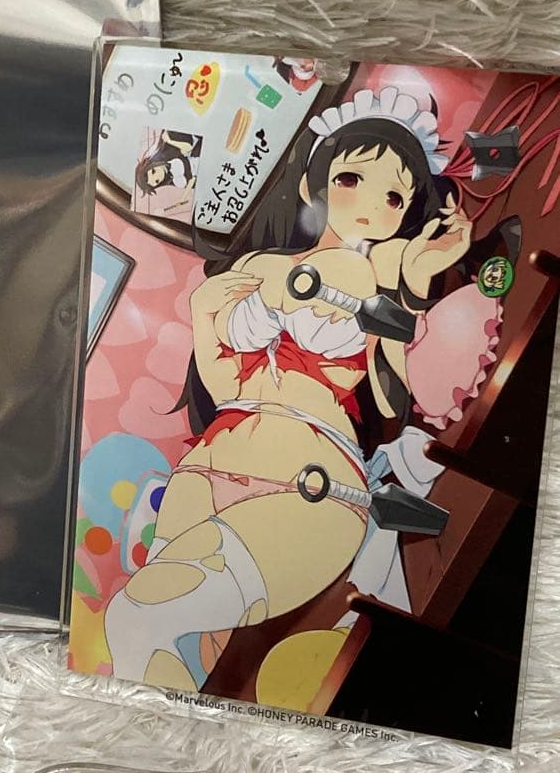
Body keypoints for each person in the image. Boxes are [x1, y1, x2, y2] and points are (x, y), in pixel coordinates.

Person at [105, 86, 503, 694]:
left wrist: (416, 283)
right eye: (351, 179)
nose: (369, 206)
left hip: (310, 482)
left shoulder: (385, 274)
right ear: (313, 182)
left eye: (393, 196)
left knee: (133, 617)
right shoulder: (257, 267)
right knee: (165, 657)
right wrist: (246, 305)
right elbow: (225, 376)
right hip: (206, 472)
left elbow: (393, 399)